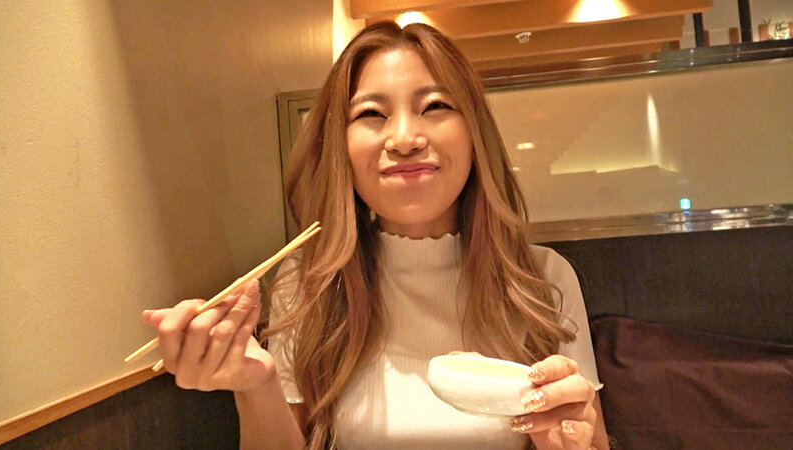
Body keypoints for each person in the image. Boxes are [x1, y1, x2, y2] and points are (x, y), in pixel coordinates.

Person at [141, 21, 609, 450]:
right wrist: (256, 386)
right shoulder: (309, 282)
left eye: (435, 106)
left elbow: (588, 441)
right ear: (341, 147)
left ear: (474, 133)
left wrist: (565, 443)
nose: (404, 139)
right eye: (371, 113)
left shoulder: (542, 279)